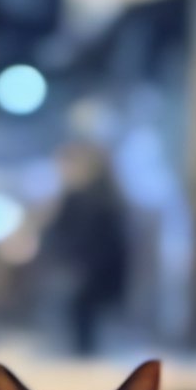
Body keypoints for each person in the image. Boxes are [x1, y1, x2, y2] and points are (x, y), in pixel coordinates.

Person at [42, 142, 129, 356]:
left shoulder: (97, 197)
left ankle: (84, 357)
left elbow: (102, 240)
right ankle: (81, 356)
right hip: (83, 267)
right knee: (79, 316)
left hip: (91, 269)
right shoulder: (88, 195)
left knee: (84, 316)